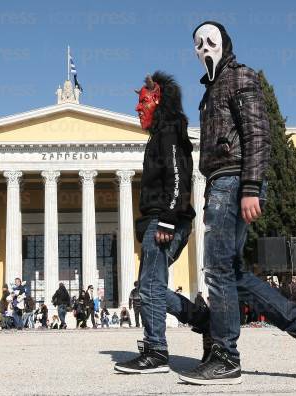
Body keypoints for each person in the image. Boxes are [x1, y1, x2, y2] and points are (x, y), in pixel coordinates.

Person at [179, 21, 296, 385]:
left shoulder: (238, 76)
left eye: (210, 41)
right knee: (233, 273)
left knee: (216, 269)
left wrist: (250, 186)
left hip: (233, 182)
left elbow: (257, 132)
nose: (203, 48)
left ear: (225, 44)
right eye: (197, 44)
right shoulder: (211, 89)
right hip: (220, 183)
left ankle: (226, 357)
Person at [115, 72, 206, 375]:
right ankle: (205, 321)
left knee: (150, 287)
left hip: (165, 221)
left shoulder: (168, 130)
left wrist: (167, 220)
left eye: (143, 101)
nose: (137, 108)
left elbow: (178, 176)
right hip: (161, 220)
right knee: (150, 287)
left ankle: (156, 351)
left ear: (158, 100)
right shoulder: (162, 133)